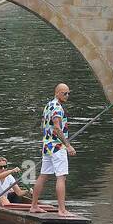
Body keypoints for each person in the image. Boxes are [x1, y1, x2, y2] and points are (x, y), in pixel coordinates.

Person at [29, 83, 75, 216]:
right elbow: (56, 128)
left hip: (47, 145)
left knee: (43, 175)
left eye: (68, 93)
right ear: (57, 93)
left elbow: (45, 124)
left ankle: (34, 206)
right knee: (61, 177)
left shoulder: (49, 105)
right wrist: (68, 145)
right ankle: (62, 210)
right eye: (64, 93)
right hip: (57, 147)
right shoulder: (57, 108)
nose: (67, 96)